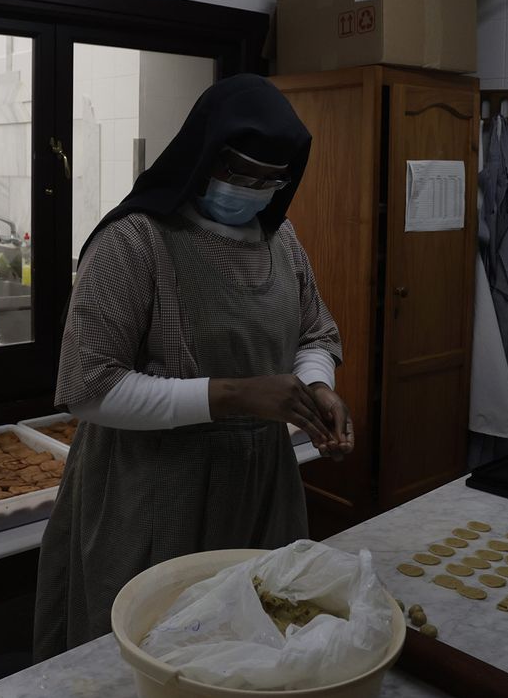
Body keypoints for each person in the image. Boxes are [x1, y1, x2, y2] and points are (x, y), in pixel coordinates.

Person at [33, 74, 353, 659]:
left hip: (260, 482)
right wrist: (235, 396)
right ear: (203, 154)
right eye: (240, 172)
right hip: (154, 488)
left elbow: (316, 332)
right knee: (153, 651)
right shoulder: (136, 242)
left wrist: (316, 386)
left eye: (269, 180)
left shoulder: (281, 243)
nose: (253, 190)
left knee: (255, 643)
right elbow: (90, 388)